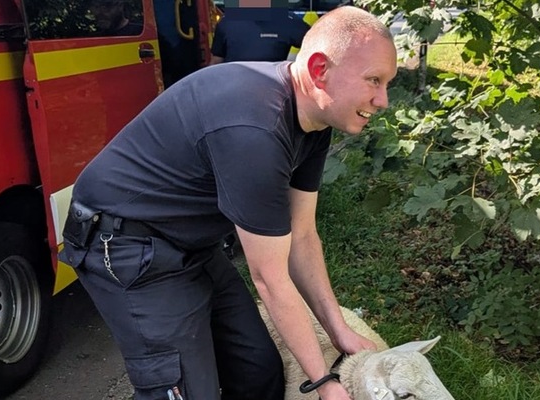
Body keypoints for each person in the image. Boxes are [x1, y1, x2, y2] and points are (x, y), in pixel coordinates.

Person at [60, 5, 396, 400]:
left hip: (191, 245)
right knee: (184, 393)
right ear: (320, 69)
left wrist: (341, 334)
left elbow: (302, 237)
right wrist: (324, 383)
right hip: (125, 244)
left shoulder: (315, 119)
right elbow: (270, 278)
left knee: (258, 372)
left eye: (387, 83)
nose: (383, 100)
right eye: (374, 80)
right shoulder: (255, 128)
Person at [209, 8, 309, 64]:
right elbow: (217, 60)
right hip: (233, 90)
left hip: (271, 91)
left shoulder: (287, 21)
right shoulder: (227, 22)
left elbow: (316, 44)